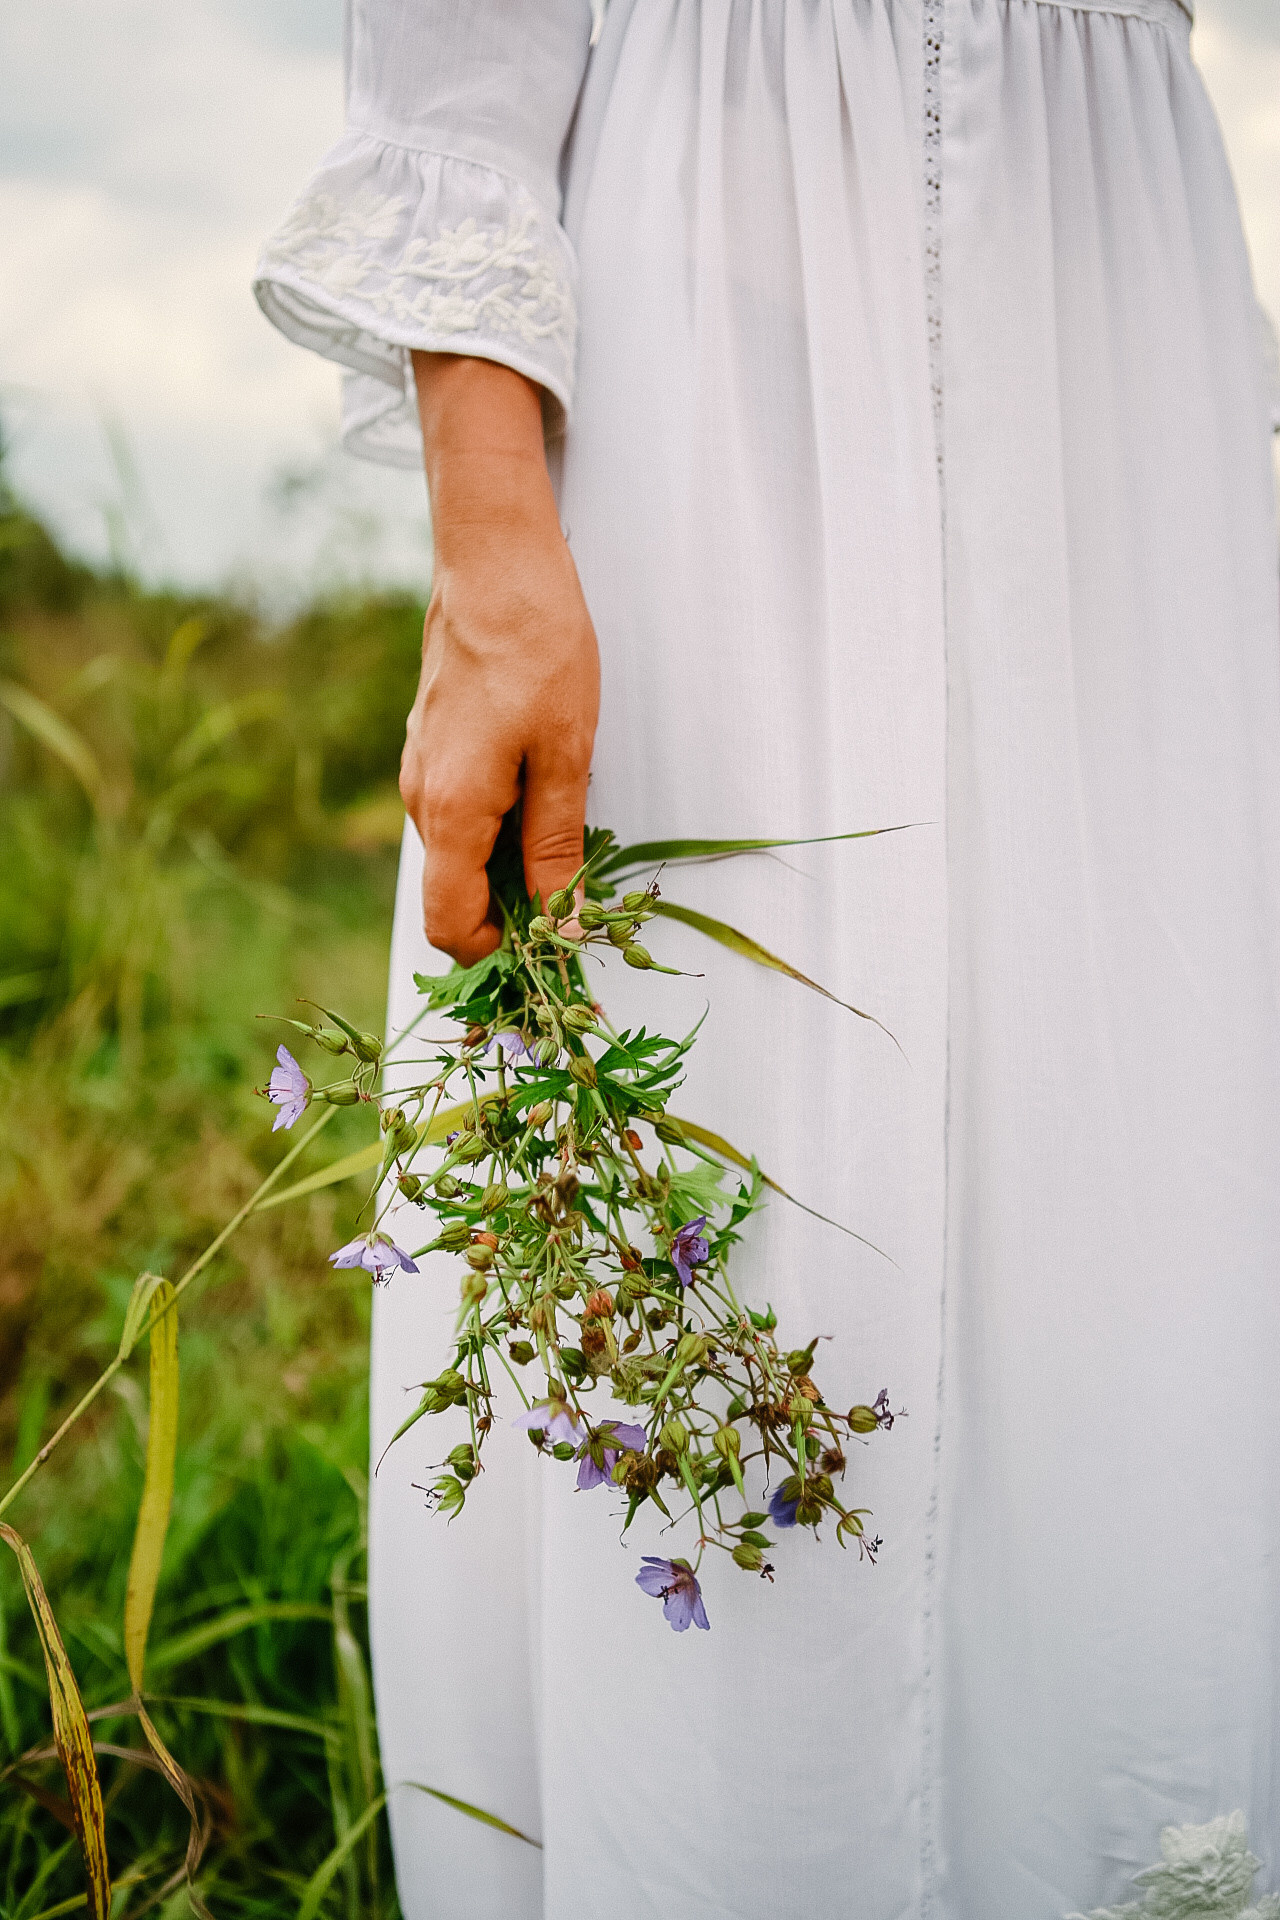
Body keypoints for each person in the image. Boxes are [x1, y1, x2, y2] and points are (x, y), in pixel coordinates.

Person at [253, 3, 1280, 1915]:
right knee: (727, 1131)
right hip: (706, 307)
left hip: (1119, 301)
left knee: (1132, 1175)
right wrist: (491, 534)